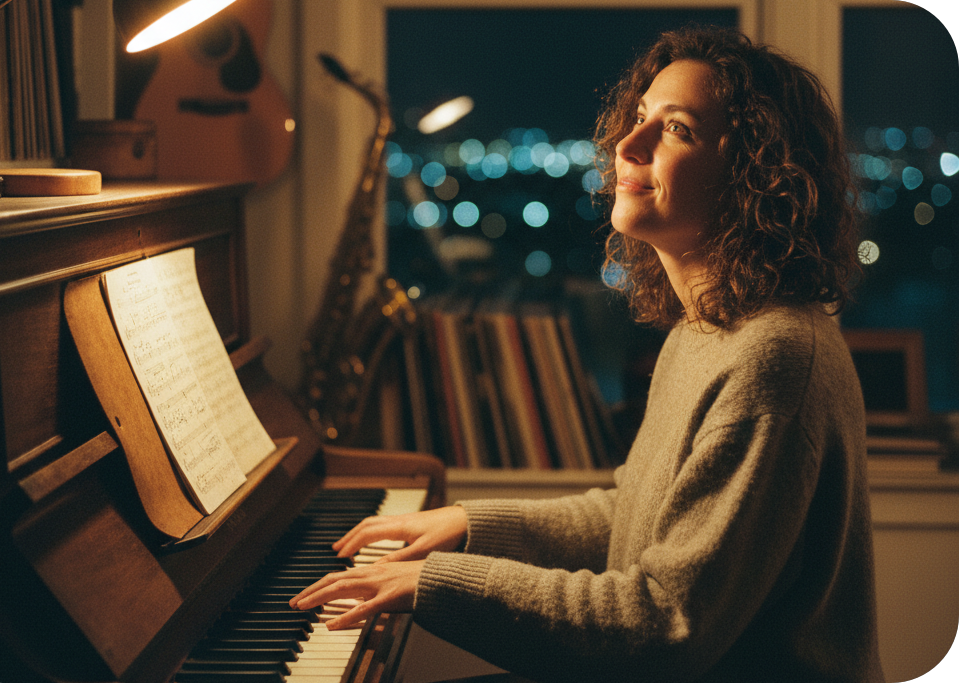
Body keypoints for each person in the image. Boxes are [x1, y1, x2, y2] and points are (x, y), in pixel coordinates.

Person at [292, 26, 884, 683]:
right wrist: (470, 524)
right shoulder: (709, 330)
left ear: (756, 175)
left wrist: (436, 581)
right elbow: (634, 512)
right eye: (638, 117)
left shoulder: (771, 357)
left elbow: (664, 623)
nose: (628, 145)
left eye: (677, 128)